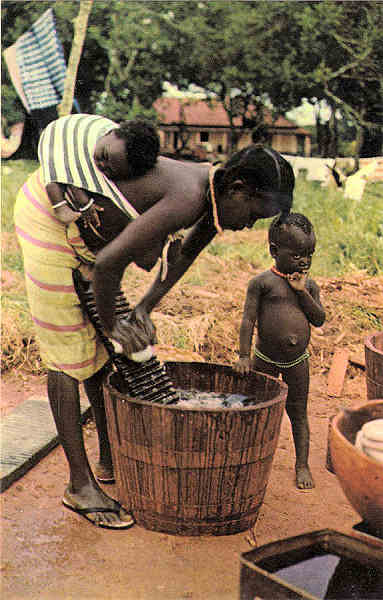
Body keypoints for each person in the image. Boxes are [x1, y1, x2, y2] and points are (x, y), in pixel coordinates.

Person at [14, 113, 295, 528]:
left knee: (99, 351)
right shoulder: (186, 195)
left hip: (87, 236)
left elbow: (182, 257)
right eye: (254, 214)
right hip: (50, 222)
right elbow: (110, 264)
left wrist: (145, 308)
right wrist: (115, 326)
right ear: (238, 188)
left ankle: (109, 458)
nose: (249, 225)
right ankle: (79, 485)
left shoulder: (211, 198)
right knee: (67, 352)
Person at [234, 213, 325, 490]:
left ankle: (302, 464)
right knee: (257, 409)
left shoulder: (309, 286)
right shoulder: (262, 283)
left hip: (297, 362)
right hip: (264, 359)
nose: (305, 261)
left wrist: (301, 292)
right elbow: (248, 320)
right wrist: (244, 355)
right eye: (297, 254)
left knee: (298, 412)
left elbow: (319, 319)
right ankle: (249, 460)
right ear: (275, 251)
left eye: (309, 254)